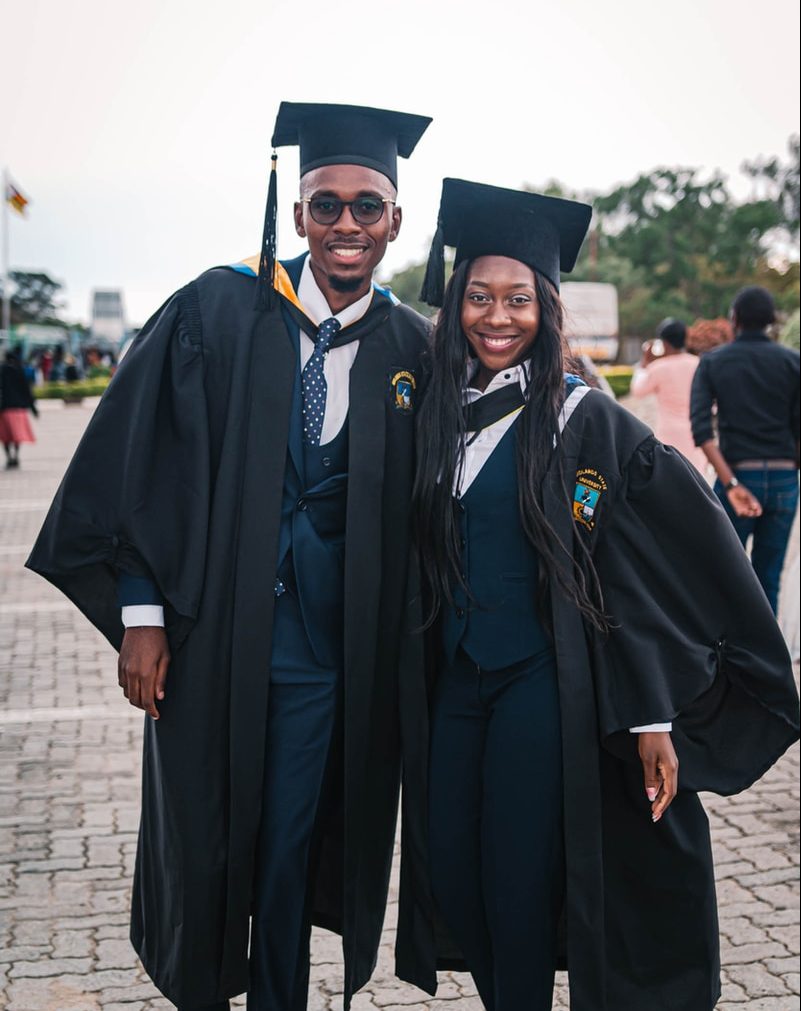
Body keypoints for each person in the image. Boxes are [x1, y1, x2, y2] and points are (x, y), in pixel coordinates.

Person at [26, 102, 433, 1011]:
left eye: (367, 207)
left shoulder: (414, 346)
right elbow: (144, 463)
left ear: (395, 222)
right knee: (210, 839)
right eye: (325, 205)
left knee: (289, 843)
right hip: (210, 635)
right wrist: (141, 614)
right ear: (297, 215)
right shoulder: (217, 306)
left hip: (328, 656)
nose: (345, 226)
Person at [398, 179, 800, 1011]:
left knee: (514, 882)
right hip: (454, 684)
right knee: (453, 872)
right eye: (477, 297)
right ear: (453, 303)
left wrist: (652, 713)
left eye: (517, 299)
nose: (496, 317)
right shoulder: (431, 415)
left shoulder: (582, 422)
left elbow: (651, 571)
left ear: (545, 308)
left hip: (538, 687)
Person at [690, 285, 800, 614]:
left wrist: (732, 484)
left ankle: (728, 655)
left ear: (734, 318)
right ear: (771, 320)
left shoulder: (713, 363)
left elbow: (701, 430)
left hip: (736, 475)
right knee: (769, 574)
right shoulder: (793, 362)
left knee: (723, 574)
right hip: (784, 479)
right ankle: (767, 660)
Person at [629, 316, 707, 473]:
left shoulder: (658, 367)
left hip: (669, 434)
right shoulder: (699, 363)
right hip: (696, 433)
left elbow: (637, 391)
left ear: (663, 342)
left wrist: (644, 364)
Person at [0, 348, 38, 468]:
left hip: (4, 409)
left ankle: (9, 457)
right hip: (19, 409)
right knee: (17, 436)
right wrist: (33, 408)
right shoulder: (19, 370)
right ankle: (16, 455)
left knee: (5, 437)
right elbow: (27, 391)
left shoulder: (1, 370)